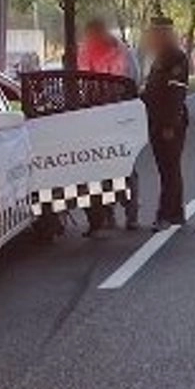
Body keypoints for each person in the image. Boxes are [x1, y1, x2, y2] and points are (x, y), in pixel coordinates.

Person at [77, 17, 141, 232]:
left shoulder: (122, 53)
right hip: (94, 118)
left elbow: (131, 83)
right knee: (98, 168)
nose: (92, 41)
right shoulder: (85, 53)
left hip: (119, 116)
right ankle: (104, 214)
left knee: (124, 165)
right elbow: (82, 82)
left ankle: (131, 212)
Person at [141, 16, 191, 232]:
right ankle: (177, 212)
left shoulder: (176, 57)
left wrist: (170, 123)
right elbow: (153, 90)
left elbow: (176, 92)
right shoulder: (159, 57)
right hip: (157, 119)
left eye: (156, 34)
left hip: (169, 121)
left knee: (168, 169)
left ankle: (165, 215)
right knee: (169, 168)